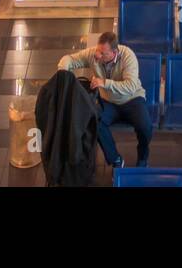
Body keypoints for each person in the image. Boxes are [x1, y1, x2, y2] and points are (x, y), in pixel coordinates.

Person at [57, 32, 152, 168]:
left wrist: (105, 83)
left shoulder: (127, 56)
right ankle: (116, 159)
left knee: (145, 128)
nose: (98, 55)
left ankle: (143, 158)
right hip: (108, 101)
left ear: (114, 52)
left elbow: (131, 86)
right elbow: (70, 59)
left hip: (132, 99)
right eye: (97, 49)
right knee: (94, 121)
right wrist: (62, 71)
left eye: (102, 53)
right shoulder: (94, 54)